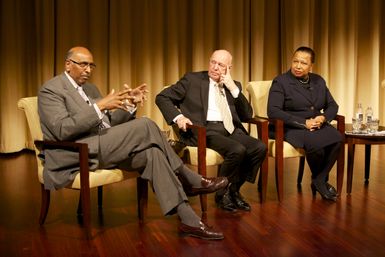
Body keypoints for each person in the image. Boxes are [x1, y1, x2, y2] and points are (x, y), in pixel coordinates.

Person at [37, 46, 229, 240]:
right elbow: (62, 130)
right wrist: (99, 106)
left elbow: (108, 123)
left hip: (103, 145)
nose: (88, 70)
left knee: (152, 153)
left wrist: (130, 105)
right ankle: (190, 178)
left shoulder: (90, 89)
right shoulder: (51, 90)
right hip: (76, 150)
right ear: (68, 64)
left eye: (91, 65)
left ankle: (190, 221)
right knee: (145, 124)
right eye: (83, 64)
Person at [156, 49, 267, 212]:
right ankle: (221, 194)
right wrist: (178, 118)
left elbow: (247, 114)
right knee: (237, 150)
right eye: (212, 62)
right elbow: (162, 97)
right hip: (205, 129)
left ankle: (233, 190)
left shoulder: (234, 85)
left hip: (230, 129)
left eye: (221, 65)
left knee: (259, 147)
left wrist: (233, 88)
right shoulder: (192, 79)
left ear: (229, 68)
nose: (215, 67)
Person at [267, 46, 343, 202]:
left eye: (303, 63)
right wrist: (304, 123)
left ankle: (319, 180)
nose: (298, 66)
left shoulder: (318, 80)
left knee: (338, 139)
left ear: (311, 66)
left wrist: (323, 118)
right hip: (289, 126)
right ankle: (321, 181)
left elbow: (332, 106)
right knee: (317, 145)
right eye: (295, 61)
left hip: (316, 124)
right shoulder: (281, 81)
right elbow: (273, 111)